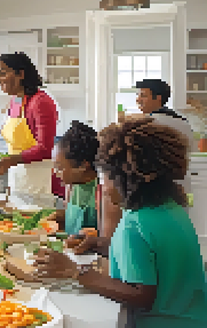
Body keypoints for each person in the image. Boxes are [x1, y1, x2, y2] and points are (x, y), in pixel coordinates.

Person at [35, 115, 207, 328]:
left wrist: (75, 272)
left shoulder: (134, 225)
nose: (103, 185)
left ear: (126, 178)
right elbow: (152, 257)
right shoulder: (168, 208)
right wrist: (98, 244)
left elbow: (141, 295)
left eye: (105, 176)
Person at [0, 52, 58, 208]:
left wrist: (11, 160)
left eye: (3, 73)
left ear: (21, 74)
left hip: (39, 181)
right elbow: (16, 148)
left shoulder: (41, 102)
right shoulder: (16, 100)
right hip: (19, 179)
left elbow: (45, 149)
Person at [135, 78, 195, 195]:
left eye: (143, 95)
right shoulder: (183, 123)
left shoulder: (147, 124)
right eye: (138, 95)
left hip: (155, 189)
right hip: (182, 187)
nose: (138, 99)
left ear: (158, 98)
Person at [52, 121, 101, 236]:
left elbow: (109, 236)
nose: (55, 173)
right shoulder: (71, 186)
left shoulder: (103, 191)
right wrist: (58, 217)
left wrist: (96, 235)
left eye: (59, 168)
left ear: (83, 166)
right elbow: (72, 219)